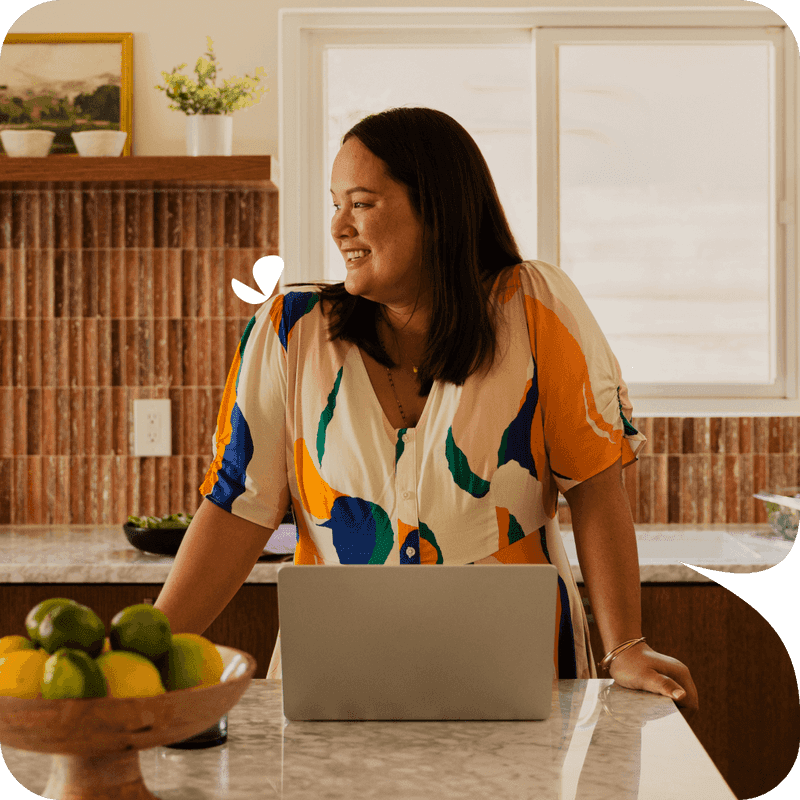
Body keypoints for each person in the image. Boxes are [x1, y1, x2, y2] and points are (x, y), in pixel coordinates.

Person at [154, 106, 698, 712]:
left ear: (437, 211)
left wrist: (625, 645)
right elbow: (237, 507)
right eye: (336, 203)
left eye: (360, 204)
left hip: (524, 679)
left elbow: (596, 488)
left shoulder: (535, 308)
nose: (338, 227)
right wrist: (148, 653)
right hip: (335, 684)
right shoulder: (291, 330)